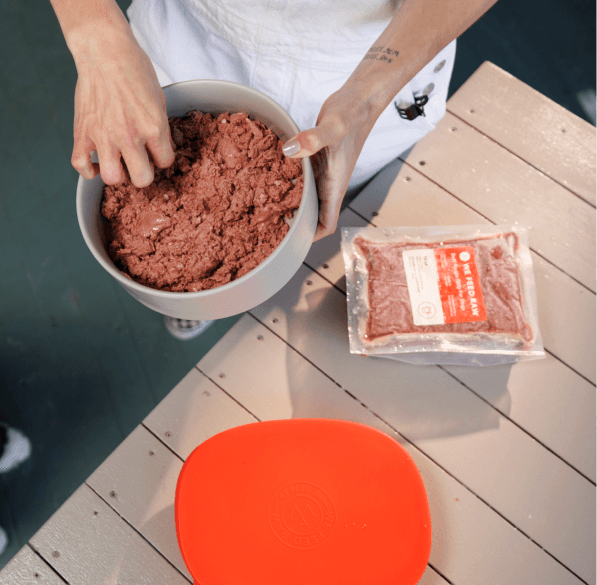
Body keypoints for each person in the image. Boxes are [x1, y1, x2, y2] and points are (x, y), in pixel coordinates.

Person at [50, 0, 497, 339]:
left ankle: (253, 288)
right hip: (193, 31)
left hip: (369, 56)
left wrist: (367, 97)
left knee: (319, 215)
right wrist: (94, 34)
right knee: (193, 278)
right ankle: (196, 300)